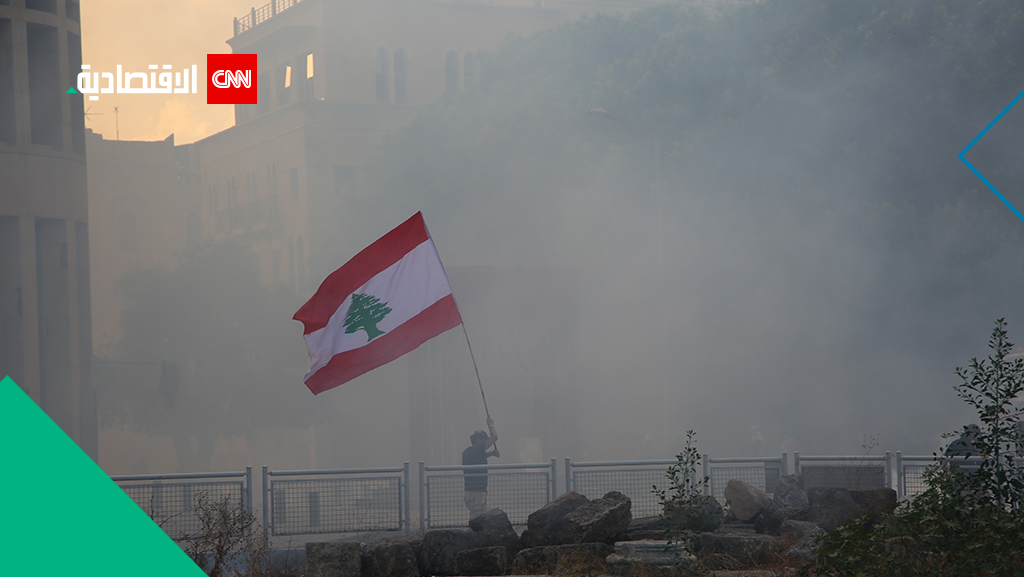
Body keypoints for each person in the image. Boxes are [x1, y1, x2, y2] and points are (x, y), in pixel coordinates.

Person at [462, 416, 499, 521]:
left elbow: (479, 457)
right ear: (478, 441)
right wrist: (490, 425)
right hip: (477, 493)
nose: (485, 443)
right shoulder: (477, 449)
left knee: (475, 519)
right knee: (480, 520)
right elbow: (495, 437)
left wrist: (491, 454)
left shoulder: (468, 451)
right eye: (484, 441)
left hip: (469, 492)